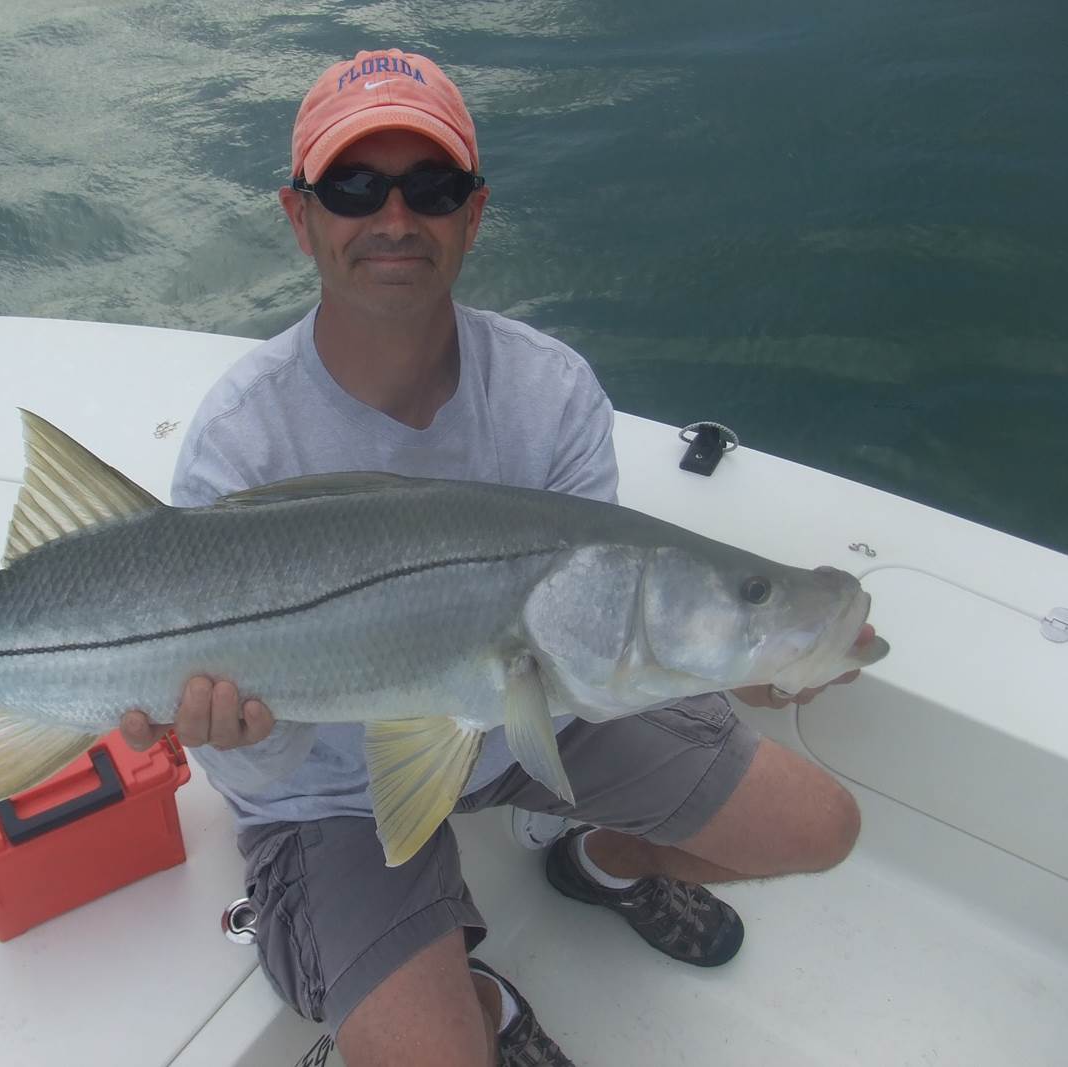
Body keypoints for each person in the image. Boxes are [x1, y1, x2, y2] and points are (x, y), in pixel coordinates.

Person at [121, 48, 867, 1067]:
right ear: (300, 217)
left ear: (473, 216)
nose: (394, 217)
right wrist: (235, 731)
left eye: (431, 187)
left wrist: (740, 654)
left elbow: (591, 636)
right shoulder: (239, 442)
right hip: (329, 782)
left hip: (534, 718)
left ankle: (602, 860)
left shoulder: (550, 391)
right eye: (354, 187)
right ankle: (480, 992)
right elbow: (250, 755)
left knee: (819, 825)